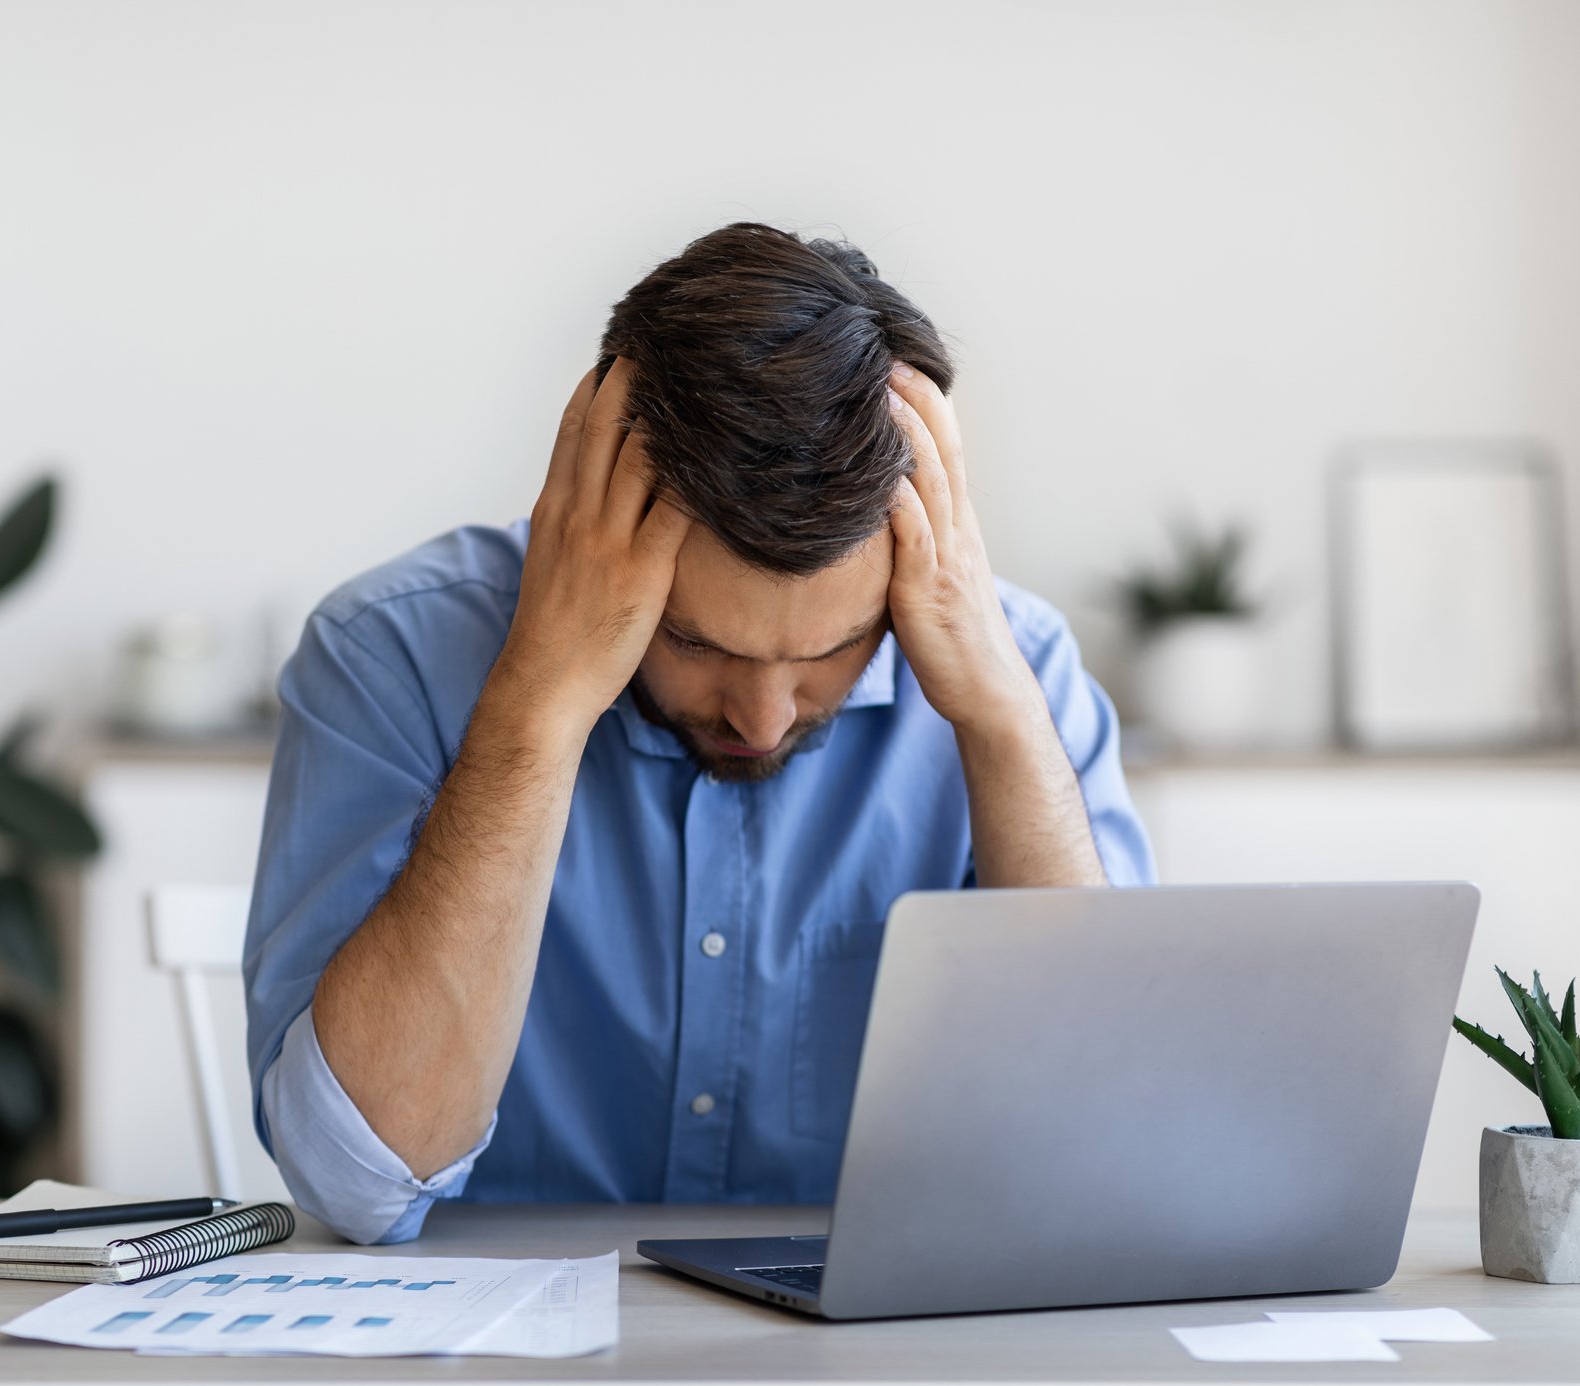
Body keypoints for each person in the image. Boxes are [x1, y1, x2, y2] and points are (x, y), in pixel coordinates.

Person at [243, 222, 1156, 1244]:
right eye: (692, 640)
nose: (759, 717)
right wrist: (540, 699)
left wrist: (1000, 720)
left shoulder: (1019, 673)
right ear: (587, 511)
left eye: (833, 651)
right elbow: (355, 1185)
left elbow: (1105, 1157)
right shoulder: (389, 657)